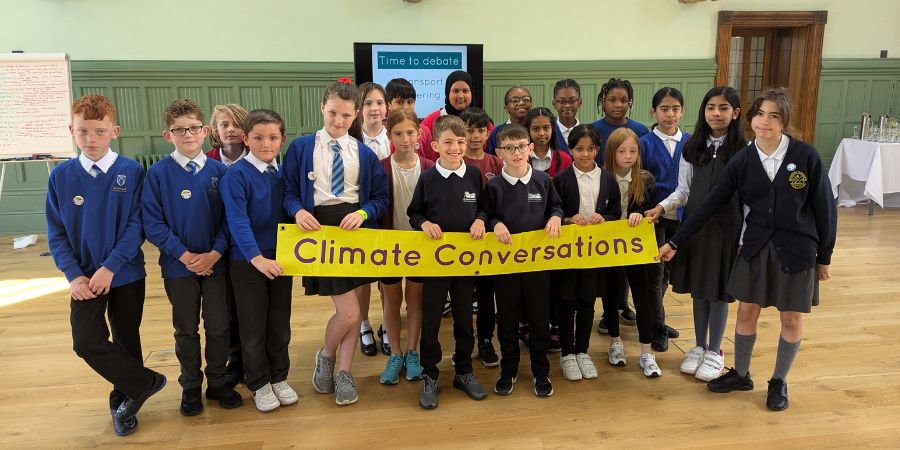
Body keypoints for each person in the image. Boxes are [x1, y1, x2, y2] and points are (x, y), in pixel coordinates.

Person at [659, 87, 837, 411]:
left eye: (773, 116)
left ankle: (779, 381)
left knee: (791, 318)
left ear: (784, 121)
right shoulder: (743, 159)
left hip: (797, 250)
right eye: (759, 114)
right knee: (746, 311)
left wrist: (824, 257)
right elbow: (710, 202)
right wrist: (675, 241)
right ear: (750, 118)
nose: (764, 122)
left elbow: (825, 208)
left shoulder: (805, 156)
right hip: (755, 246)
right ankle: (741, 373)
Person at [47, 94, 165, 436]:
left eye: (99, 132)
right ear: (72, 130)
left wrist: (111, 267)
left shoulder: (130, 171)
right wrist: (74, 276)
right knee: (86, 341)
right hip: (84, 279)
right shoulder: (61, 176)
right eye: (83, 131)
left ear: (114, 131)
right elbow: (56, 234)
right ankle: (146, 382)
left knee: (127, 340)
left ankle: (125, 403)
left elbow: (136, 226)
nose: (91, 139)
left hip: (126, 273)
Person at [282, 80, 389, 406]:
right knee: (349, 312)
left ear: (355, 114)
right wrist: (297, 210)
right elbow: (286, 192)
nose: (338, 121)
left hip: (354, 233)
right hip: (320, 234)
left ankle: (344, 373)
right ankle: (326, 356)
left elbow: (381, 198)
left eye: (345, 115)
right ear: (322, 109)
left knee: (355, 312)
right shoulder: (302, 148)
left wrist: (364, 213)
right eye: (332, 113)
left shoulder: (364, 153)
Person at [142, 99, 241, 416]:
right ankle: (189, 387)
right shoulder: (157, 174)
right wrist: (184, 255)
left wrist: (213, 254)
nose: (187, 135)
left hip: (216, 264)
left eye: (194, 128)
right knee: (185, 330)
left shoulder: (220, 172)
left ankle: (217, 382)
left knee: (218, 327)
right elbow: (153, 224)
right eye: (179, 130)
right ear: (167, 134)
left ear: (205, 131)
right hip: (177, 267)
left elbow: (230, 220)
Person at [646, 86, 746, 382]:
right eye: (711, 107)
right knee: (700, 291)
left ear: (736, 113)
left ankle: (716, 350)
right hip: (695, 228)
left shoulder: (744, 151)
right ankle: (700, 345)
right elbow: (684, 191)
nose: (716, 113)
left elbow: (751, 199)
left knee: (719, 293)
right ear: (704, 111)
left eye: (724, 108)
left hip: (728, 229)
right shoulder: (692, 147)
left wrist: (745, 237)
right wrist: (660, 207)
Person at [407, 114, 488, 409]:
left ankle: (464, 371)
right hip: (435, 263)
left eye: (461, 142)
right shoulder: (428, 178)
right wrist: (424, 223)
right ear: (436, 145)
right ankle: (430, 374)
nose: (456, 148)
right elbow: (414, 213)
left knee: (465, 318)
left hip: (466, 263)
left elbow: (485, 208)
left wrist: (480, 220)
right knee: (431, 320)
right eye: (449, 142)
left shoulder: (475, 175)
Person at [220, 109, 297, 413]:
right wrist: (256, 258)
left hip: (282, 261)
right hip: (248, 263)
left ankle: (279, 376)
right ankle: (259, 382)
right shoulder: (236, 175)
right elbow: (238, 222)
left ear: (282, 139)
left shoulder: (281, 175)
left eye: (273, 137)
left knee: (279, 324)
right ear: (245, 139)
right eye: (258, 137)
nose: (266, 143)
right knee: (253, 328)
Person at [486, 124, 563, 397]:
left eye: (521, 146)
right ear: (499, 153)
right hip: (505, 266)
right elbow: (486, 215)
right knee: (507, 319)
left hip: (537, 265)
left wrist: (555, 217)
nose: (516, 152)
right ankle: (509, 370)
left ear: (530, 148)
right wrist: (495, 224)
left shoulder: (543, 180)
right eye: (509, 148)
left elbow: (556, 206)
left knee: (540, 319)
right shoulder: (493, 186)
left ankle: (541, 371)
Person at [552, 124, 623, 381]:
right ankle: (567, 353)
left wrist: (604, 218)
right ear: (570, 149)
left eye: (590, 148)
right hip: (568, 253)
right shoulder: (560, 180)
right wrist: (569, 220)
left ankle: (583, 351)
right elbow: (554, 213)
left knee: (587, 301)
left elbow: (615, 211)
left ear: (597, 150)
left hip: (595, 254)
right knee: (567, 300)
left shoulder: (607, 179)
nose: (585, 154)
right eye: (579, 148)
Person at [378, 108, 433, 384]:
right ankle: (395, 353)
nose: (405, 138)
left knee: (415, 299)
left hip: (419, 245)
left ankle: (412, 351)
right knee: (391, 299)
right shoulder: (380, 167)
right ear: (389, 136)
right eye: (398, 133)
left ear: (420, 134)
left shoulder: (430, 167)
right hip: (389, 244)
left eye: (410, 132)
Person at [606, 128, 664, 378]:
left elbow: (651, 211)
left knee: (643, 295)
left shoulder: (646, 179)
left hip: (635, 248)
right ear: (612, 153)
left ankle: (646, 351)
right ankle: (615, 342)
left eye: (633, 151)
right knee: (610, 294)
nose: (628, 156)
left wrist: (641, 214)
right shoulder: (602, 178)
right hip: (607, 247)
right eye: (622, 151)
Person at [640, 87, 690, 352]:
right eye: (664, 109)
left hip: (682, 217)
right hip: (654, 218)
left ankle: (651, 318)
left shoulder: (691, 142)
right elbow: (642, 181)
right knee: (655, 273)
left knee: (668, 274)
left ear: (681, 111)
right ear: (654, 112)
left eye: (675, 109)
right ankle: (656, 326)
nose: (669, 115)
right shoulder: (645, 142)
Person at [205, 103, 249, 387]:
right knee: (227, 310)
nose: (230, 129)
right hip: (217, 247)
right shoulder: (207, 162)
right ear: (215, 131)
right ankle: (234, 361)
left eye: (236, 124)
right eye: (224, 124)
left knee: (250, 307)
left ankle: (252, 360)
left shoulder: (259, 158)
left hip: (248, 248)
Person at [459, 107, 502, 367]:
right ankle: (463, 345)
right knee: (463, 298)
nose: (475, 136)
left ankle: (486, 340)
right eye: (470, 130)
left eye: (481, 130)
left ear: (488, 133)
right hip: (461, 240)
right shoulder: (456, 162)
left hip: (489, 240)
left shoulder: (495, 163)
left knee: (487, 296)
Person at [350, 82, 391, 357]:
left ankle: (388, 324)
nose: (374, 108)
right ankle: (363, 323)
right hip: (362, 215)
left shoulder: (397, 136)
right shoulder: (352, 142)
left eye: (379, 102)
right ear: (358, 110)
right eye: (367, 103)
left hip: (393, 213)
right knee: (363, 277)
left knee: (388, 277)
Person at [590, 78, 650, 164]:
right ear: (603, 102)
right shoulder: (593, 129)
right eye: (612, 100)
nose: (618, 105)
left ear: (629, 103)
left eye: (623, 101)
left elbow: (643, 164)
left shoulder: (641, 130)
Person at [384, 77, 435, 161]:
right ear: (389, 104)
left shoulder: (424, 131)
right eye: (399, 102)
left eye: (409, 102)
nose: (405, 107)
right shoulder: (382, 132)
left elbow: (431, 164)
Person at [552, 79, 584, 144]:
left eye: (572, 101)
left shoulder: (586, 132)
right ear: (554, 104)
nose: (567, 105)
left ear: (580, 103)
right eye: (561, 101)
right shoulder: (550, 132)